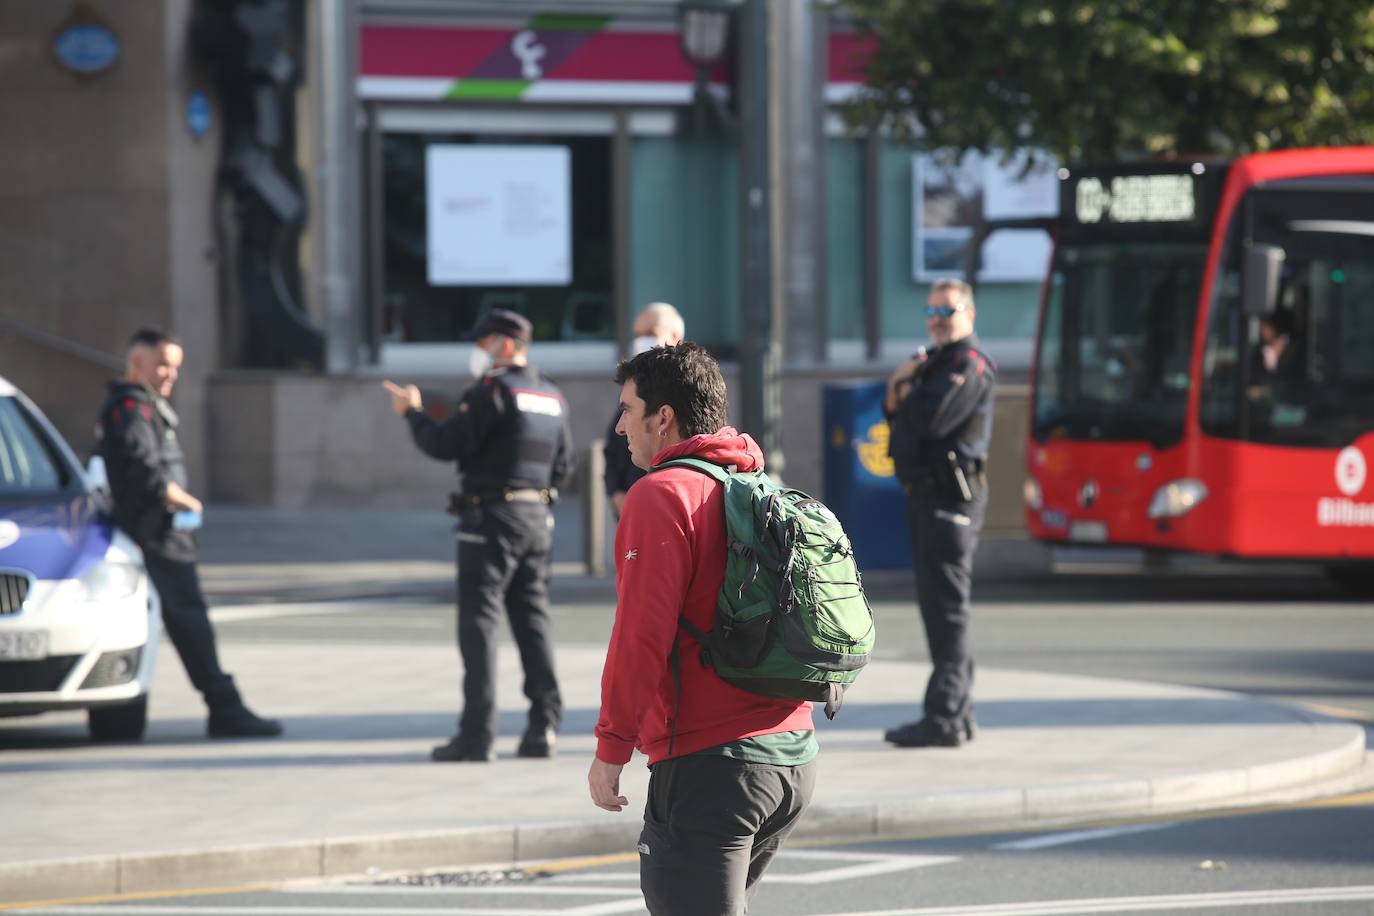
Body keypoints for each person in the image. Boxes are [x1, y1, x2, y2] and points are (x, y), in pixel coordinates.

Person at [588, 342, 816, 916]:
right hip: (790, 757)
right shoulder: (753, 483)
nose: (619, 428)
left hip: (710, 765)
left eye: (626, 409)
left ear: (662, 417)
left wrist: (612, 747)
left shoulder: (661, 494)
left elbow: (641, 636)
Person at [384, 309, 573, 763]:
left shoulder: (493, 392)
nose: (477, 352)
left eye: (482, 343)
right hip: (537, 519)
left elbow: (445, 444)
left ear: (506, 345)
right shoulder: (550, 394)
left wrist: (412, 413)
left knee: (480, 626)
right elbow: (565, 466)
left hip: (491, 520)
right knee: (533, 621)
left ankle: (477, 735)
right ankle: (543, 727)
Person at [96, 328, 282, 739]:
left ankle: (215, 707)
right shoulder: (129, 408)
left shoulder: (143, 405)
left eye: (176, 367)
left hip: (163, 535)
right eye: (163, 364)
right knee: (190, 624)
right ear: (137, 362)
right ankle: (224, 708)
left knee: (179, 624)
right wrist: (180, 498)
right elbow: (141, 467)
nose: (170, 375)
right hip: (156, 535)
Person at [882, 278, 996, 748]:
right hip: (926, 497)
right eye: (931, 312)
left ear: (968, 314)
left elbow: (929, 422)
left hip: (950, 500)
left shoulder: (967, 364)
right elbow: (895, 416)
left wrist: (903, 388)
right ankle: (957, 712)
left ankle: (945, 716)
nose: (936, 320)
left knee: (947, 612)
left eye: (946, 311)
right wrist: (900, 386)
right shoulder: (932, 364)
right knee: (938, 610)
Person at [602, 302, 685, 518]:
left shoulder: (692, 385)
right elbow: (613, 447)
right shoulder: (636, 386)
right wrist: (617, 493)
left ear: (675, 335)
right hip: (634, 505)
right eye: (638, 334)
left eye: (650, 333)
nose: (642, 340)